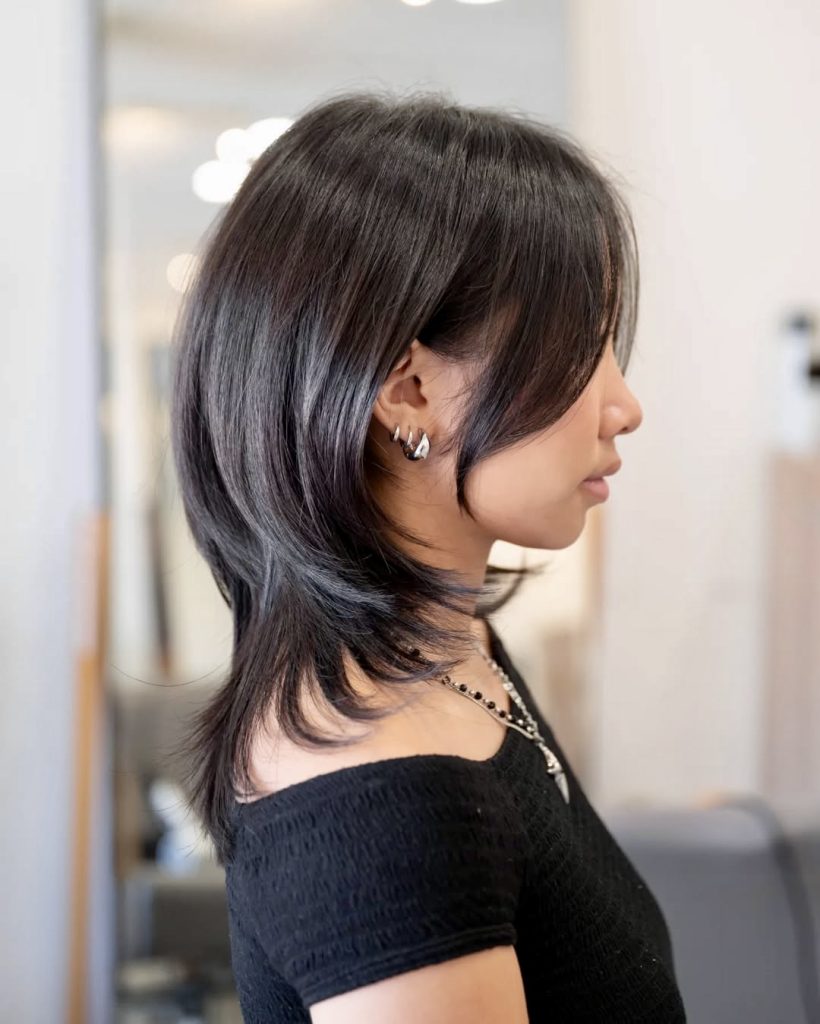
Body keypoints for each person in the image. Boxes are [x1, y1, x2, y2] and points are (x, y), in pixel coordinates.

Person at [169, 90, 687, 1022]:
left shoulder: (449, 646)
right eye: (587, 344)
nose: (625, 405)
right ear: (408, 389)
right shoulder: (381, 795)